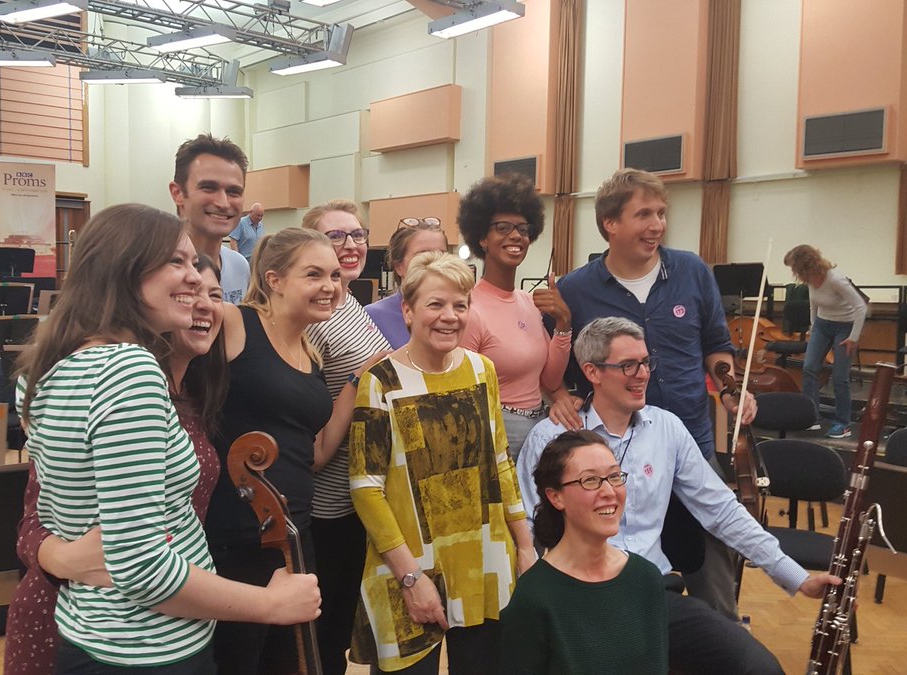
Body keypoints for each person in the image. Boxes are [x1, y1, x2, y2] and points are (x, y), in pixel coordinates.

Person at [12, 206, 320, 674]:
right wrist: (270, 604)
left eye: (194, 263)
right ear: (126, 267)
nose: (196, 279)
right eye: (178, 262)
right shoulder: (128, 369)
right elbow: (142, 567)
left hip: (90, 631)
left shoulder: (44, 372)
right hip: (148, 649)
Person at [517, 317, 840, 675]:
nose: (642, 374)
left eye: (645, 363)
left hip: (654, 593)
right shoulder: (551, 436)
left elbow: (721, 510)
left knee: (759, 667)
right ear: (592, 371)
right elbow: (531, 530)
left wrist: (797, 576)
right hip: (579, 600)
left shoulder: (666, 427)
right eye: (628, 365)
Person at [5, 254, 233, 674]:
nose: (202, 302)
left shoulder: (200, 395)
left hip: (162, 621)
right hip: (94, 620)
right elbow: (33, 522)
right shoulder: (122, 378)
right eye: (189, 288)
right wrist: (65, 558)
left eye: (214, 294)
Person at [555, 167, 755, 619]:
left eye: (661, 213)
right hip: (615, 459)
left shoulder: (692, 271)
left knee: (714, 583)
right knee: (625, 576)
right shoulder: (574, 289)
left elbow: (716, 346)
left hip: (692, 448)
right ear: (610, 223)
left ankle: (717, 644)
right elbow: (565, 368)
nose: (657, 225)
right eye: (644, 214)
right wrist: (557, 395)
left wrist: (729, 387)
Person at [348, 251, 537, 674]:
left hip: (484, 557)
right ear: (408, 310)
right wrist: (411, 579)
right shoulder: (381, 381)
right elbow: (366, 489)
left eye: (460, 305)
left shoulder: (480, 369)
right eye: (435, 304)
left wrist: (525, 547)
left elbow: (500, 462)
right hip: (408, 566)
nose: (449, 316)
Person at [207, 227, 358, 674]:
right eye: (313, 274)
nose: (330, 286)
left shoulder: (311, 350)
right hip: (239, 532)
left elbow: (314, 452)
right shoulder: (236, 323)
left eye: (334, 275)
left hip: (295, 531)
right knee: (239, 660)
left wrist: (355, 383)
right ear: (273, 279)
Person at [300, 200, 392, 674]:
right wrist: (361, 379)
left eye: (357, 234)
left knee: (341, 623)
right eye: (336, 236)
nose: (352, 244)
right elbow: (311, 410)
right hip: (329, 498)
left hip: (360, 486)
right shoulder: (316, 314)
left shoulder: (349, 301)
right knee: (325, 633)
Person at [500, 429, 667, 675]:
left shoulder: (645, 578)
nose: (609, 491)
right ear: (555, 497)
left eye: (614, 476)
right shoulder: (534, 596)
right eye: (590, 481)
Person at [456, 174, 573, 457]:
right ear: (482, 237)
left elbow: (550, 379)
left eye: (522, 228)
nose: (516, 235)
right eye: (503, 227)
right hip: (495, 431)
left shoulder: (528, 302)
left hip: (540, 426)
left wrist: (563, 323)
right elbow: (460, 396)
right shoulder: (470, 308)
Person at [783, 244, 867, 439]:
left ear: (805, 266)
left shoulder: (836, 279)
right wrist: (813, 328)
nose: (795, 274)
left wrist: (853, 338)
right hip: (822, 325)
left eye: (795, 269)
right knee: (809, 367)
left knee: (839, 376)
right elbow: (814, 305)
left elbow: (860, 307)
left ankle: (843, 423)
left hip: (844, 328)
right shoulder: (811, 280)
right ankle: (811, 417)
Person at [169, 133, 251, 304]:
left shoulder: (239, 266)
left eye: (233, 192)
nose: (223, 203)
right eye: (209, 188)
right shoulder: (156, 267)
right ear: (178, 193)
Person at [365, 217, 448, 348]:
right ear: (398, 266)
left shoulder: (458, 313)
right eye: (423, 255)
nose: (435, 263)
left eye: (441, 254)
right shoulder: (372, 316)